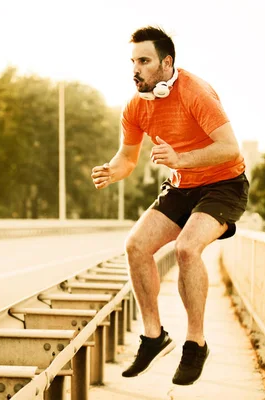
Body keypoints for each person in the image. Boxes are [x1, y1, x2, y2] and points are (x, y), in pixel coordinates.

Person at [90, 26, 248, 386]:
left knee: (187, 248)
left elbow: (230, 148)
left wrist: (181, 158)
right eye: (132, 61)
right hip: (182, 186)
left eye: (144, 61)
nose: (136, 69)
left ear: (166, 63)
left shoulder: (195, 92)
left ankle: (195, 344)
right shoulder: (135, 107)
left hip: (223, 185)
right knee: (135, 245)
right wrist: (112, 171)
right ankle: (153, 335)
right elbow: (127, 158)